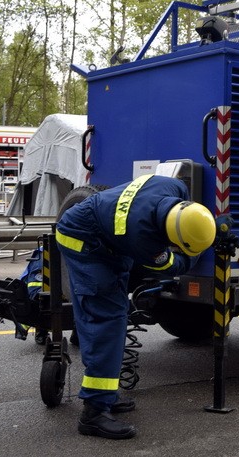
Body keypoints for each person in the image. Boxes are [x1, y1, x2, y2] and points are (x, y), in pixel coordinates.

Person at [55, 174, 216, 439]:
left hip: (104, 233)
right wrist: (197, 251)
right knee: (107, 321)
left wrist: (209, 229)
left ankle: (105, 394)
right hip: (83, 241)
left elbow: (190, 224)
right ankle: (93, 413)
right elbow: (173, 266)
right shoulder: (143, 239)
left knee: (111, 318)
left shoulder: (173, 186)